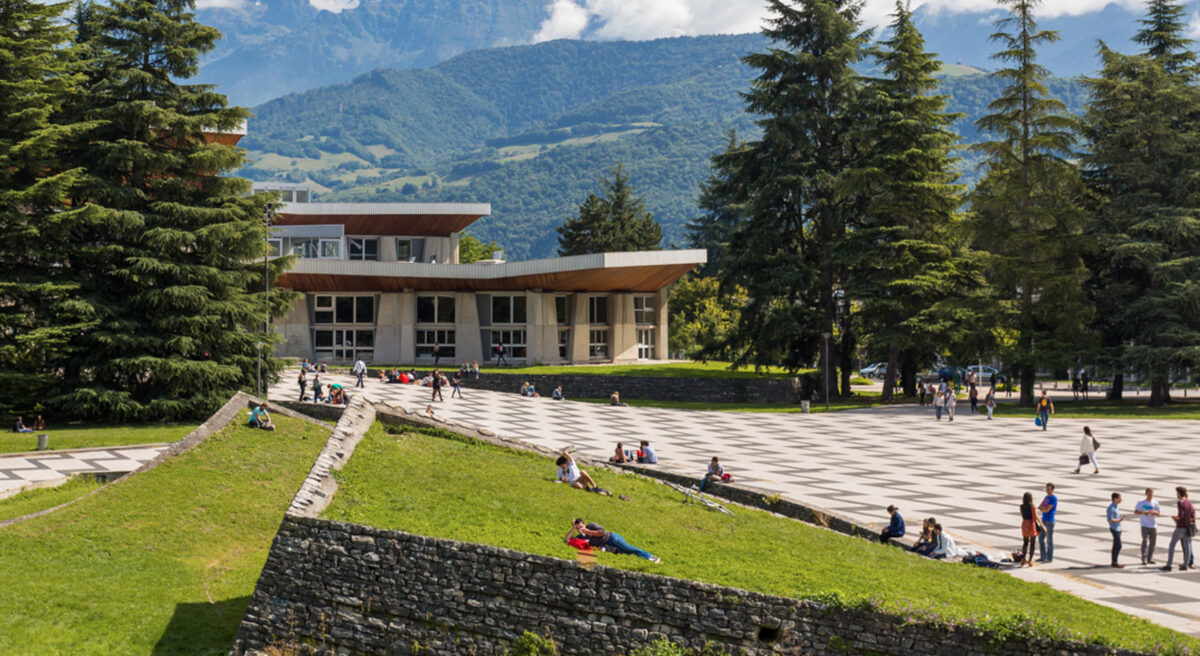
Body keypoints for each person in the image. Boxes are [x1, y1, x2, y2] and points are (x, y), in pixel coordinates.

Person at [566, 518, 660, 563]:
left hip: (612, 538)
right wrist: (573, 528)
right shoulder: (580, 537)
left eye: (581, 527)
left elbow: (602, 533)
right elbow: (567, 540)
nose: (580, 529)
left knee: (627, 548)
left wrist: (589, 531)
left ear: (584, 524)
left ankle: (651, 557)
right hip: (607, 546)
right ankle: (646, 558)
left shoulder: (591, 525)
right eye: (578, 528)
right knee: (626, 552)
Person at [1162, 486, 1195, 571]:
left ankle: (1169, 565)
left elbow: (1181, 515)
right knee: (1187, 546)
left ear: (1179, 493)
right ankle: (1185, 565)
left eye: (1177, 492)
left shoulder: (1180, 502)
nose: (1176, 494)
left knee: (1172, 545)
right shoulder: (1189, 502)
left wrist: (1175, 517)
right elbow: (1192, 515)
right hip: (1187, 527)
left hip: (1180, 527)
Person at [1135, 488, 1161, 566]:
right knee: (1145, 541)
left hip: (1153, 525)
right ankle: (1144, 558)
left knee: (1152, 543)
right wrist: (1144, 512)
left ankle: (1150, 558)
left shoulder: (1155, 502)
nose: (1150, 496)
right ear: (1146, 494)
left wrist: (1155, 513)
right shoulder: (1141, 502)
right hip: (1144, 525)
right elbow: (1136, 512)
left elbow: (1159, 514)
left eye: (1151, 494)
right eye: (1149, 494)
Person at [1038, 483, 1057, 563]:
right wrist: (1043, 508)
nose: (1047, 491)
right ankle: (1043, 556)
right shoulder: (1046, 497)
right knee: (1040, 538)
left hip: (1049, 521)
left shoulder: (1053, 498)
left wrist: (1043, 509)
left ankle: (1049, 558)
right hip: (1043, 520)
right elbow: (1040, 506)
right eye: (1046, 489)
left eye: (1049, 489)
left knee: (1049, 540)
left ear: (1052, 490)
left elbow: (1047, 509)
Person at [1019, 492, 1038, 567]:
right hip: (1031, 524)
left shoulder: (1021, 506)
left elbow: (1022, 515)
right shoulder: (1032, 506)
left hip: (1024, 524)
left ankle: (1023, 558)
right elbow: (1036, 516)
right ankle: (1030, 560)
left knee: (1025, 542)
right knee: (1032, 543)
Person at [1108, 492, 1124, 568]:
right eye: (1119, 498)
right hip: (1114, 528)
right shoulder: (1111, 508)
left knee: (1116, 545)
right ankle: (1114, 561)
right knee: (1119, 545)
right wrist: (1119, 520)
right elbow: (1110, 520)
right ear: (1115, 499)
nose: (1121, 499)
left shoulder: (1116, 506)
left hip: (1118, 528)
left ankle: (1114, 561)